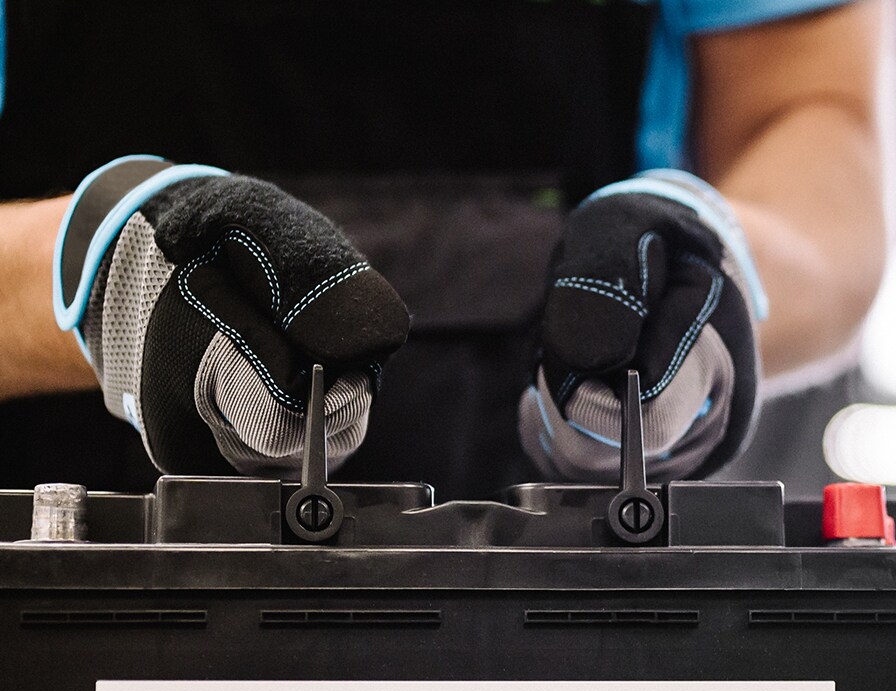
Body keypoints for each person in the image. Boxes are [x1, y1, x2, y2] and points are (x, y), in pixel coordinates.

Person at [0, 0, 886, 499]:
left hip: (566, 557)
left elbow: (802, 112)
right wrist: (89, 271)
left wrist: (711, 264)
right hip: (71, 557)